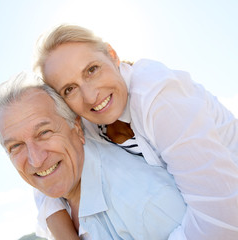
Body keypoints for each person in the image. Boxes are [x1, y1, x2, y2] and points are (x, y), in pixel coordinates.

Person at [33, 24, 238, 239]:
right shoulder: (86, 120)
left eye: (92, 70)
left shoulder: (158, 97)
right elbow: (44, 169)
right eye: (69, 89)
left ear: (112, 55)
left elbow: (225, 219)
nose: (91, 96)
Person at [0, 72, 187, 239]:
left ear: (77, 127)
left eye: (44, 133)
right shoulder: (58, 186)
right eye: (16, 146)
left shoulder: (146, 205)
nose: (36, 160)